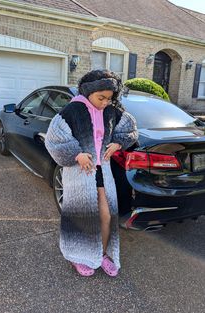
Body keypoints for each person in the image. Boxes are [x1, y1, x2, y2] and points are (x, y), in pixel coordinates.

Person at [45, 69, 138, 277]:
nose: (105, 102)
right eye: (101, 98)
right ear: (88, 92)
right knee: (81, 216)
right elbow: (54, 139)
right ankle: (78, 257)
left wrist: (118, 143)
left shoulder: (112, 112)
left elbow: (130, 130)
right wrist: (77, 154)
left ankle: (103, 254)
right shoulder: (71, 111)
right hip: (80, 173)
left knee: (106, 215)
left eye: (109, 98)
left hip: (103, 170)